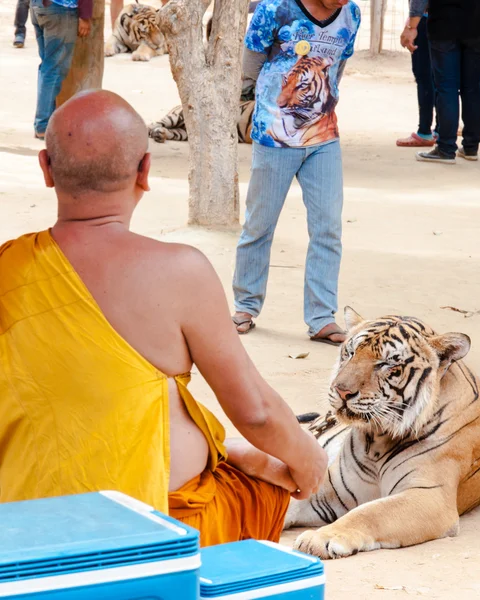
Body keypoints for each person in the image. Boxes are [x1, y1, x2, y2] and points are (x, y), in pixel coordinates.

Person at [0, 90, 328, 547]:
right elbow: (255, 411)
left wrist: (230, 452)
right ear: (145, 171)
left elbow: (79, 400)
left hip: (22, 524)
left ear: (46, 169)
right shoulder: (180, 272)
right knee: (262, 488)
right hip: (144, 531)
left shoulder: (9, 268)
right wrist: (308, 457)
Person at [232, 0, 361, 345]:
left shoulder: (351, 14)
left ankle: (321, 317)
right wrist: (265, 110)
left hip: (324, 138)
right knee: (259, 224)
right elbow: (250, 68)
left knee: (328, 228)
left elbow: (337, 68)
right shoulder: (273, 9)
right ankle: (245, 306)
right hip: (274, 138)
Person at [401, 0, 480, 164]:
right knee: (471, 87)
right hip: (476, 23)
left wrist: (412, 26)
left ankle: (446, 147)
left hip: (444, 24)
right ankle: (471, 147)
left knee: (446, 87)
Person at [30, 0, 92, 140]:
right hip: (60, 9)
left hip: (38, 6)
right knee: (53, 70)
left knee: (47, 67)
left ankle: (44, 123)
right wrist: (85, 15)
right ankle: (43, 125)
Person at [396, 11, 439, 148]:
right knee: (440, 76)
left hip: (426, 19)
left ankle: (425, 131)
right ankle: (442, 129)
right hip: (447, 19)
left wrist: (411, 26)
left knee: (424, 75)